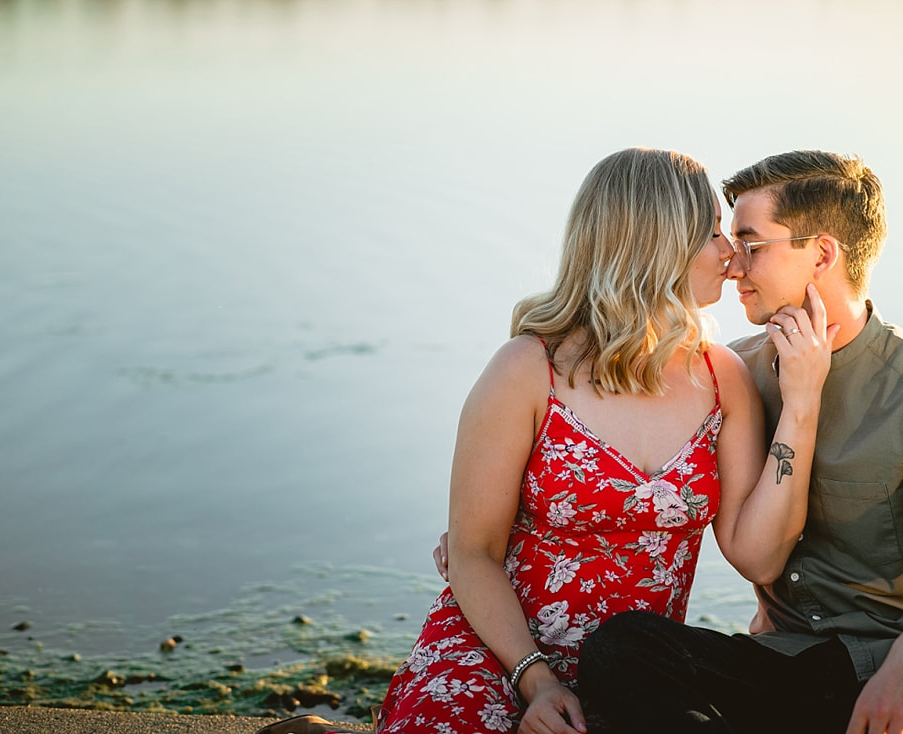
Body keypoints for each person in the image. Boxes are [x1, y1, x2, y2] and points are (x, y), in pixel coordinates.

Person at [254, 147, 835, 734]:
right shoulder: (527, 370)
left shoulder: (722, 380)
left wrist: (802, 404)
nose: (732, 254)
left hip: (633, 670)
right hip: (496, 654)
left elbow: (757, 554)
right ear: (658, 243)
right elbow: (472, 551)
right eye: (712, 232)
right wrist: (536, 679)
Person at [575, 150, 903, 734]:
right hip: (787, 663)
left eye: (752, 245)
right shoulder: (734, 373)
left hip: (899, 662)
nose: (733, 268)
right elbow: (623, 460)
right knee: (621, 649)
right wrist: (501, 522)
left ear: (822, 253)